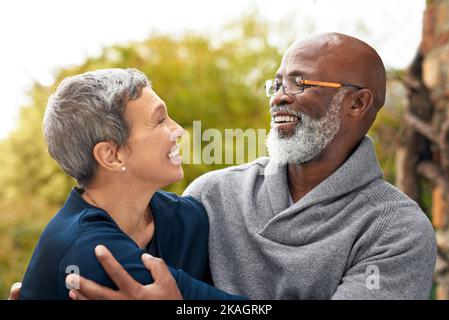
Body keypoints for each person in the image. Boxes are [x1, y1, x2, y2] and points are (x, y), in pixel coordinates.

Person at [11, 32, 437, 300]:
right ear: (110, 154)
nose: (278, 96)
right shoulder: (212, 197)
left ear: (358, 103)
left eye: (300, 83)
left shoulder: (396, 230)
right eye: (277, 83)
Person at [16, 68, 246, 300]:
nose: (177, 130)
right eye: (159, 120)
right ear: (112, 155)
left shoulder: (189, 219)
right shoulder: (88, 251)